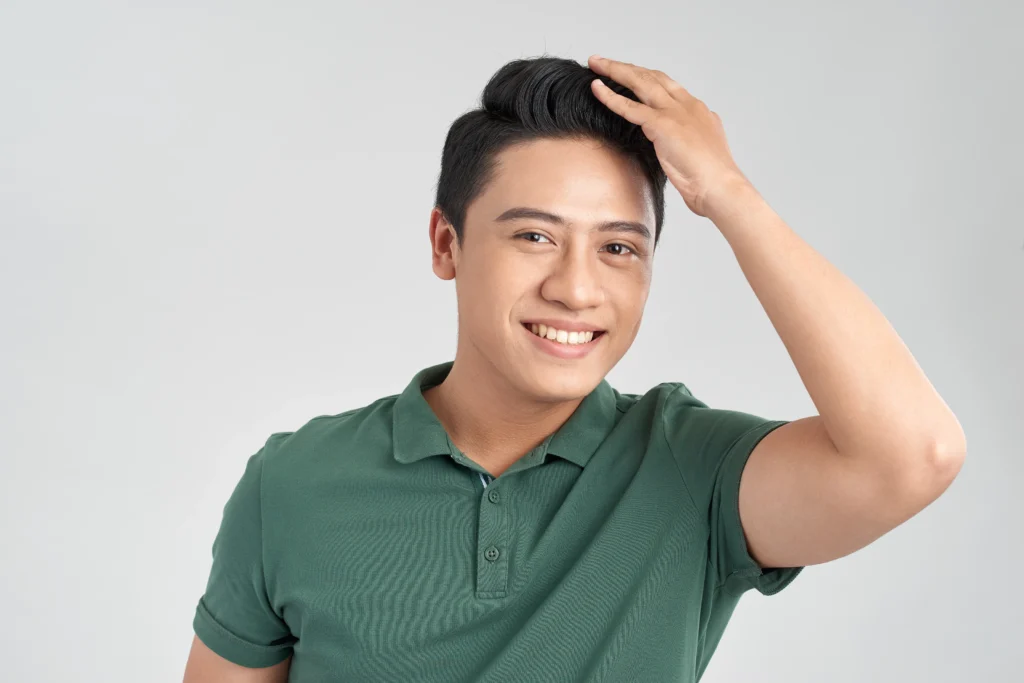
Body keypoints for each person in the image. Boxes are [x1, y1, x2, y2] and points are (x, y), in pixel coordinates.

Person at [182, 55, 966, 682]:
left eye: (619, 247)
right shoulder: (292, 482)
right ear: (446, 244)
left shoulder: (691, 472)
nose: (577, 288)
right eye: (534, 236)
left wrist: (728, 192)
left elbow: (914, 453)